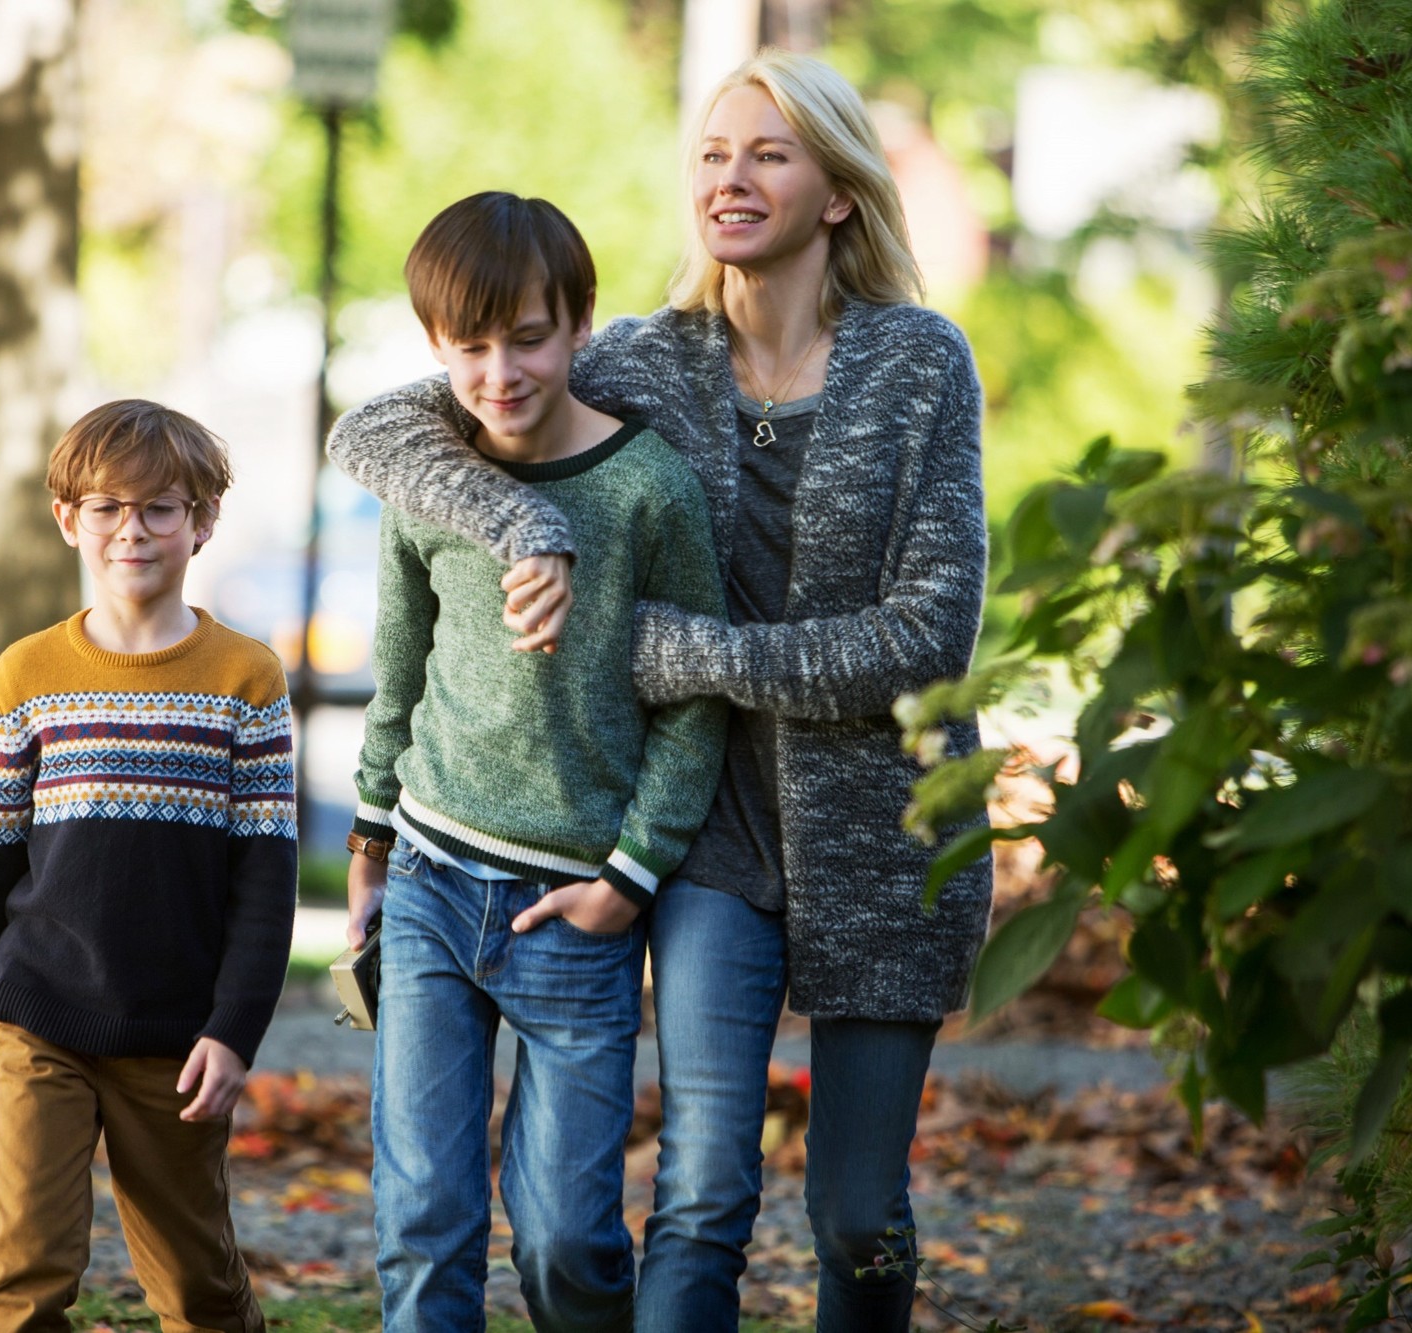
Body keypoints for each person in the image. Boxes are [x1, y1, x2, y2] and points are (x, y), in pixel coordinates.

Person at [329, 53, 993, 1333]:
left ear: (838, 192)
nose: (727, 178)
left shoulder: (921, 363)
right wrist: (525, 528)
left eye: (767, 153)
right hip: (705, 835)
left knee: (858, 1213)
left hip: (882, 832)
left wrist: (682, 650)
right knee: (696, 1188)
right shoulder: (638, 357)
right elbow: (383, 432)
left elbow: (925, 634)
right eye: (709, 153)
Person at [344, 191, 729, 1332]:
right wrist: (368, 840)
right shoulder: (427, 483)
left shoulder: (647, 487)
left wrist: (628, 878)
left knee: (565, 1237)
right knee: (422, 1218)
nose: (499, 371)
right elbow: (397, 671)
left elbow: (694, 701)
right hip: (426, 883)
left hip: (571, 912)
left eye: (526, 336)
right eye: (468, 345)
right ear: (434, 347)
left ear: (577, 326)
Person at [0, 399, 296, 1333]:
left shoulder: (245, 677)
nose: (131, 529)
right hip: (40, 1014)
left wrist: (235, 1027)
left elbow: (265, 879)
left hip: (175, 1038)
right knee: (26, 1268)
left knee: (197, 1284)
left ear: (202, 522)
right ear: (68, 519)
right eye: (105, 507)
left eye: (159, 508)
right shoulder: (26, 673)